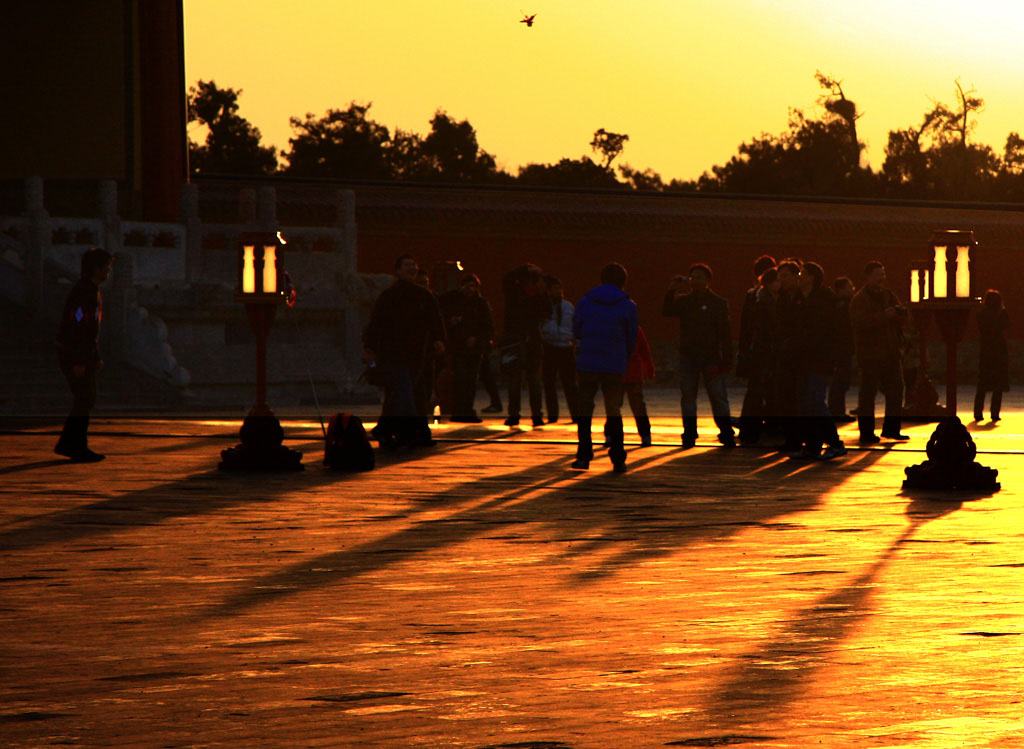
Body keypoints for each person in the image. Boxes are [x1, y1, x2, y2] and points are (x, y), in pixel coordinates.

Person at [363, 254, 446, 448]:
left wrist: (439, 340)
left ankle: (388, 430)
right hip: (393, 353)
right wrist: (370, 348)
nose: (412, 268)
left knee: (409, 394)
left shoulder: (425, 296)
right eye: (407, 265)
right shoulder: (389, 296)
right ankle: (407, 432)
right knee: (404, 392)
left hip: (419, 354)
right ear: (398, 270)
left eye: (414, 265)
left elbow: (435, 320)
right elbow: (377, 323)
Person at [573, 262, 638, 472]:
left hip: (588, 362)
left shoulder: (585, 301)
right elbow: (631, 337)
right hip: (614, 363)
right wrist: (623, 357)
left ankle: (583, 455)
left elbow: (577, 329)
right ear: (624, 282)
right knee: (613, 410)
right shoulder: (628, 305)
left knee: (585, 408)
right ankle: (618, 458)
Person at [663, 263, 735, 448]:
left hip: (712, 357)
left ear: (708, 281)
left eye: (700, 277)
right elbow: (667, 311)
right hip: (689, 356)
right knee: (688, 397)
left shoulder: (719, 303)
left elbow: (725, 333)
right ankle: (689, 432)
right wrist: (671, 291)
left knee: (718, 397)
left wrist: (727, 357)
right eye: (693, 277)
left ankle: (726, 432)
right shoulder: (684, 301)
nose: (696, 281)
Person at [54, 247, 113, 462]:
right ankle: (74, 445)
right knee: (84, 398)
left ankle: (70, 443)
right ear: (95, 268)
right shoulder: (83, 292)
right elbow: (77, 325)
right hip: (74, 354)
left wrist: (93, 356)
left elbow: (89, 330)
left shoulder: (91, 290)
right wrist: (79, 360)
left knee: (85, 398)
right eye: (106, 267)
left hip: (82, 353)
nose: (108, 272)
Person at [850, 260, 908, 444]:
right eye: (877, 275)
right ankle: (866, 432)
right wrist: (885, 316)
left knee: (896, 390)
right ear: (868, 277)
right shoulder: (859, 300)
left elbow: (899, 319)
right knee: (868, 394)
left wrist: (900, 314)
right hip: (870, 354)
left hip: (890, 352)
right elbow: (861, 323)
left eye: (883, 274)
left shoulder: (888, 295)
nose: (881, 278)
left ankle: (892, 429)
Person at [793, 262, 846, 460]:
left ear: (812, 278)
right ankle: (812, 446)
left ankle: (835, 443)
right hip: (804, 359)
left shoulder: (823, 302)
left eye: (802, 274)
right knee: (805, 403)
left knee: (815, 402)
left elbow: (821, 334)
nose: (799, 277)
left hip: (819, 359)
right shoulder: (801, 300)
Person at [438, 273, 494, 423]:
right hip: (458, 348)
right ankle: (460, 410)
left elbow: (488, 327)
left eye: (473, 286)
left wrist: (477, 339)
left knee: (470, 382)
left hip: (475, 350)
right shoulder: (452, 301)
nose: (470, 289)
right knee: (461, 380)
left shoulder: (481, 304)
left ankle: (466, 410)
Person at [501, 263, 551, 427]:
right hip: (529, 340)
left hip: (518, 340)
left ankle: (516, 414)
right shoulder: (532, 295)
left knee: (519, 381)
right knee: (531, 380)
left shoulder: (515, 294)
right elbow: (547, 312)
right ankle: (535, 415)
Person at [738, 266, 780, 444]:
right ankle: (750, 430)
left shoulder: (776, 300)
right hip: (762, 353)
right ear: (770, 283)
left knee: (769, 392)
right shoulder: (760, 301)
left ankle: (766, 428)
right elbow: (750, 329)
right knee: (756, 392)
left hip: (770, 353)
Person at [540, 275, 579, 423]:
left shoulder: (568, 307)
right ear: (548, 291)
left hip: (565, 347)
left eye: (559, 289)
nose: (558, 292)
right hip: (549, 347)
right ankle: (552, 415)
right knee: (549, 383)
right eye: (555, 289)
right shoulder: (543, 307)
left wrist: (576, 344)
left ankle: (576, 414)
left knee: (570, 384)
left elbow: (575, 326)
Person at [774, 260, 804, 451]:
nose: (781, 280)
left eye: (785, 276)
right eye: (780, 277)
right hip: (784, 355)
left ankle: (802, 437)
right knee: (786, 398)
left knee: (801, 399)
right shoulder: (782, 298)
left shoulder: (805, 297)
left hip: (801, 355)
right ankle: (790, 438)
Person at [975, 289, 1010, 422]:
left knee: (982, 384)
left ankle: (978, 412)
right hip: (999, 350)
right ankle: (994, 412)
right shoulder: (999, 314)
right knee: (998, 385)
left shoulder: (981, 314)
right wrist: (1003, 309)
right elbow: (1008, 324)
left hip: (985, 350)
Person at [621, 324, 655, 446]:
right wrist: (649, 369)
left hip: (616, 371)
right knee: (638, 406)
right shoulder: (635, 329)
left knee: (613, 406)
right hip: (633, 372)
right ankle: (645, 435)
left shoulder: (611, 327)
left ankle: (611, 434)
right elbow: (644, 350)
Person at [828, 276, 856, 421]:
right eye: (849, 287)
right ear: (841, 290)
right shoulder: (842, 307)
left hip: (842, 348)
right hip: (842, 348)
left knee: (841, 381)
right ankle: (837, 411)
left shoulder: (839, 305)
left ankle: (837, 409)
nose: (852, 290)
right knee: (841, 381)